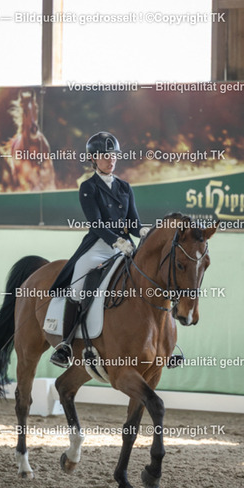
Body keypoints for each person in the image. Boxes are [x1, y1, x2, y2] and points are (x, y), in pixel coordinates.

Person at [49, 131, 183, 369]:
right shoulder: (88, 187)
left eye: (113, 155)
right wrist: (117, 241)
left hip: (125, 248)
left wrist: (144, 232)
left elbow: (134, 222)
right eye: (105, 155)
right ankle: (66, 345)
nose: (110, 160)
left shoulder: (124, 187)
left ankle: (167, 345)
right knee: (78, 284)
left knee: (154, 280)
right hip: (99, 246)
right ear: (93, 159)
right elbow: (96, 224)